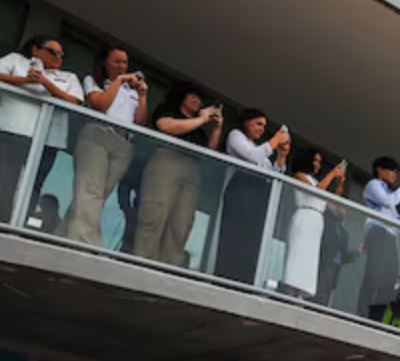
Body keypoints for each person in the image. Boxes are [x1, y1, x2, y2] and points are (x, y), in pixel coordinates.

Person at [0, 36, 83, 223]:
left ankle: (21, 226)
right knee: (6, 183)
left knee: (34, 187)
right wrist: (24, 80)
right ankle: (1, 227)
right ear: (35, 50)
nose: (58, 57)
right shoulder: (17, 60)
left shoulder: (69, 77)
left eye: (62, 54)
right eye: (53, 52)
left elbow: (75, 102)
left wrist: (46, 83)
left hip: (48, 139)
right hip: (13, 130)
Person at [63, 46, 149, 247]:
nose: (122, 66)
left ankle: (62, 234)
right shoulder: (92, 81)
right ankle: (85, 244)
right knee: (89, 192)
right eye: (117, 61)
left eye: (125, 62)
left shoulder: (132, 91)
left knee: (98, 197)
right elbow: (100, 104)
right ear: (104, 63)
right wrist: (119, 81)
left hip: (124, 143)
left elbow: (139, 122)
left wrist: (143, 95)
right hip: (98, 135)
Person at [134, 83, 222, 265]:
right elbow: (166, 127)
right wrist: (202, 119)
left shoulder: (199, 131)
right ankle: (142, 262)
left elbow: (209, 154)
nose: (198, 101)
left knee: (182, 224)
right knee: (154, 215)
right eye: (193, 96)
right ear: (182, 97)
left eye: (200, 99)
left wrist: (216, 128)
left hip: (192, 172)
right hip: (166, 162)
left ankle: (168, 266)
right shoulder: (167, 110)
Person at [215, 110, 289, 283]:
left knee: (252, 242)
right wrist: (273, 142)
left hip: (258, 197)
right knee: (235, 239)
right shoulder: (236, 135)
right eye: (258, 123)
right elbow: (253, 157)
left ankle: (245, 281)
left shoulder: (257, 146)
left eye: (264, 126)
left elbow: (273, 172)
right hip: (241, 192)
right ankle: (226, 279)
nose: (262, 129)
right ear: (246, 122)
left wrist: (281, 156)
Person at [357, 157, 400, 321]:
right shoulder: (373, 185)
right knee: (374, 274)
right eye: (391, 170)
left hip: (390, 237)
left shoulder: (392, 194)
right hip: (377, 232)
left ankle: (375, 318)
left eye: (396, 172)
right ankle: (362, 313)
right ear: (379, 169)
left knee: (389, 280)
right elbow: (386, 201)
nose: (394, 175)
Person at [283, 149, 347, 301]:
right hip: (304, 216)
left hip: (317, 220)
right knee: (298, 257)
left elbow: (331, 199)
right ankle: (290, 294)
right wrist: (331, 174)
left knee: (308, 260)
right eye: (315, 160)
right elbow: (314, 192)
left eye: (319, 161)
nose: (317, 164)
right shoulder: (300, 176)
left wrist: (339, 183)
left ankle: (298, 296)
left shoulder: (317, 181)